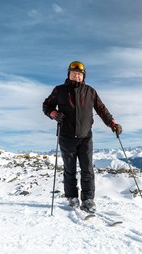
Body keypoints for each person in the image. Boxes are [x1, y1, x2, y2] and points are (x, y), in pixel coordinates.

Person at [43, 61, 122, 213]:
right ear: (68, 74)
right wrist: (53, 114)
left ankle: (88, 199)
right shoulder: (59, 90)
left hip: (85, 136)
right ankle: (72, 197)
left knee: (87, 169)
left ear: (83, 76)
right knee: (70, 169)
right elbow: (46, 106)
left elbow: (101, 109)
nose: (76, 76)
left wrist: (112, 124)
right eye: (73, 73)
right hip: (66, 137)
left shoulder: (90, 91)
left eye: (79, 74)